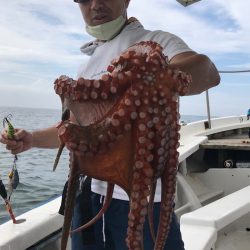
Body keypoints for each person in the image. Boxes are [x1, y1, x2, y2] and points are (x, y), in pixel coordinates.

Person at [0, 0, 220, 249]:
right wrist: (32, 138)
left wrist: (155, 77)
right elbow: (74, 128)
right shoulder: (88, 64)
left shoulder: (155, 42)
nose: (95, 5)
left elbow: (208, 72)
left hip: (143, 201)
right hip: (89, 191)